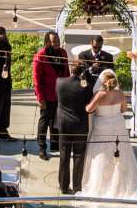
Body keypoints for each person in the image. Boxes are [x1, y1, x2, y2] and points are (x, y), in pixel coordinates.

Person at [83, 69, 137, 200]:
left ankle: (102, 185)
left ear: (103, 82)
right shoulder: (120, 94)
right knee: (120, 154)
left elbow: (89, 110)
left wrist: (86, 105)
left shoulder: (100, 95)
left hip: (102, 126)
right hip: (117, 125)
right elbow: (123, 110)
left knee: (101, 156)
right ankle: (120, 185)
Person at [55, 49, 94, 192]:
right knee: (78, 156)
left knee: (64, 156)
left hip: (63, 124)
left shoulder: (59, 83)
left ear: (71, 70)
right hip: (79, 125)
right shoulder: (85, 88)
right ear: (82, 72)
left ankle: (64, 187)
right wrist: (87, 75)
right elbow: (90, 99)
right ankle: (77, 187)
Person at [32, 31, 69, 159]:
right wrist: (40, 98)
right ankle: (42, 148)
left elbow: (66, 72)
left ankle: (54, 143)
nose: (57, 43)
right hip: (46, 95)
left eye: (58, 40)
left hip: (60, 94)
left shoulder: (63, 53)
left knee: (57, 120)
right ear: (48, 42)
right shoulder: (40, 56)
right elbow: (36, 80)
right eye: (54, 41)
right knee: (44, 121)